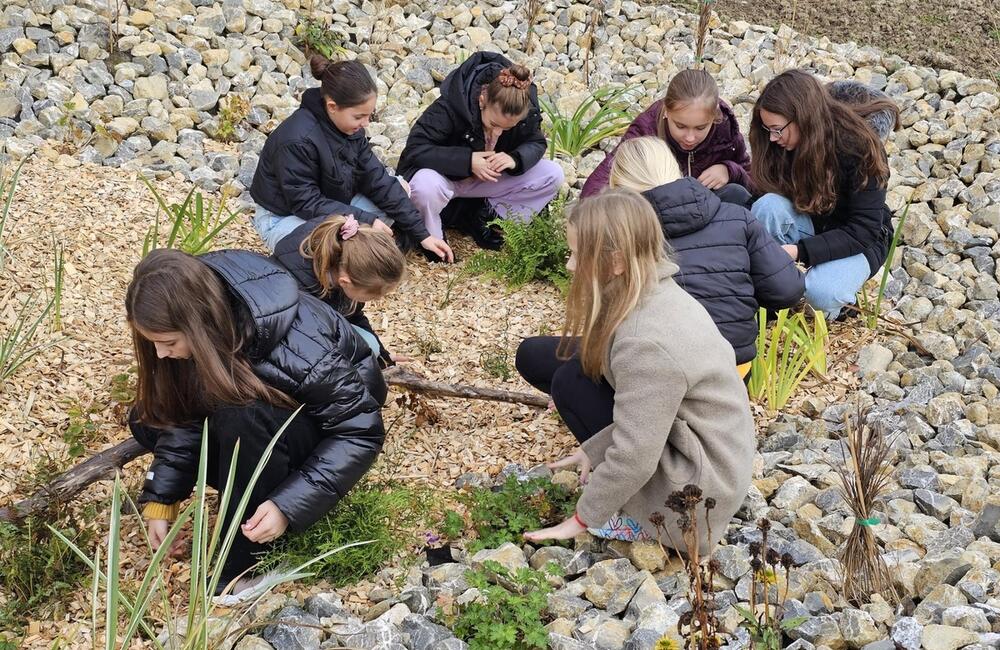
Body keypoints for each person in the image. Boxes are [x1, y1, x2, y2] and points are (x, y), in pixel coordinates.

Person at [127, 248, 387, 593]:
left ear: (199, 325)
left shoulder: (298, 346)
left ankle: (242, 568)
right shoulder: (201, 311)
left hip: (323, 428)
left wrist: (287, 505)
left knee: (244, 420)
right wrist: (162, 498)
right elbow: (183, 410)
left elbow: (359, 431)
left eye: (168, 342)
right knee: (146, 417)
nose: (160, 353)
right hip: (269, 408)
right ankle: (248, 482)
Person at [515, 190, 755, 552]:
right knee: (570, 373)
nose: (569, 265)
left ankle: (639, 520)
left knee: (570, 381)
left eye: (579, 254)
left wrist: (582, 517)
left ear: (616, 262)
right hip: (706, 451)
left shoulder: (645, 341)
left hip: (695, 496)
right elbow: (650, 413)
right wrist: (593, 451)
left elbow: (636, 452)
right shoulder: (655, 291)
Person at [608, 136, 804, 376]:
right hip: (732, 371)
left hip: (660, 374)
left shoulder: (623, 237)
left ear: (620, 187)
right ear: (674, 170)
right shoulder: (737, 216)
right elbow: (788, 290)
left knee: (568, 376)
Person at [250, 55, 453, 262]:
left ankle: (368, 245)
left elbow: (378, 181)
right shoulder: (297, 140)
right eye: (359, 117)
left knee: (399, 188)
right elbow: (305, 202)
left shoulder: (350, 130)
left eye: (369, 115)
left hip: (333, 202)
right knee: (322, 246)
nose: (365, 123)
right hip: (284, 219)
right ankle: (364, 249)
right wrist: (367, 221)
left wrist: (423, 234)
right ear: (332, 106)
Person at [748, 69, 900, 319]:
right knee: (766, 208)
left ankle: (837, 304)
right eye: (768, 130)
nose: (773, 138)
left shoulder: (860, 147)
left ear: (803, 118)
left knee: (821, 295)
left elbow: (863, 229)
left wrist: (798, 252)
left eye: (777, 129)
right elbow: (761, 199)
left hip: (861, 240)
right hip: (814, 222)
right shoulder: (779, 144)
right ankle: (778, 290)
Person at [396, 52, 564, 250]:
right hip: (445, 181)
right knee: (424, 184)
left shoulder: (523, 108)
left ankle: (491, 220)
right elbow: (415, 149)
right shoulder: (451, 104)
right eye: (493, 123)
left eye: (507, 128)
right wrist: (467, 161)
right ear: (482, 99)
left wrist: (515, 159)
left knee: (553, 174)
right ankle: (432, 239)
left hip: (488, 184)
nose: (498, 132)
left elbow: (535, 142)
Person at [581, 69, 752, 208]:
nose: (690, 138)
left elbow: (752, 177)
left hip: (706, 208)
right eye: (680, 126)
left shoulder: (724, 126)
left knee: (736, 193)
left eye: (700, 128)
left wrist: (729, 170)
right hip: (660, 217)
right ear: (666, 112)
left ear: (714, 117)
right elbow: (605, 179)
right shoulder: (646, 128)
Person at [271, 214, 405, 368]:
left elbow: (354, 315)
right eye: (374, 296)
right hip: (285, 335)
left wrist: (383, 358)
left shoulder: (348, 263)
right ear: (345, 282)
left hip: (313, 324)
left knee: (370, 346)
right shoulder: (299, 290)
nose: (378, 299)